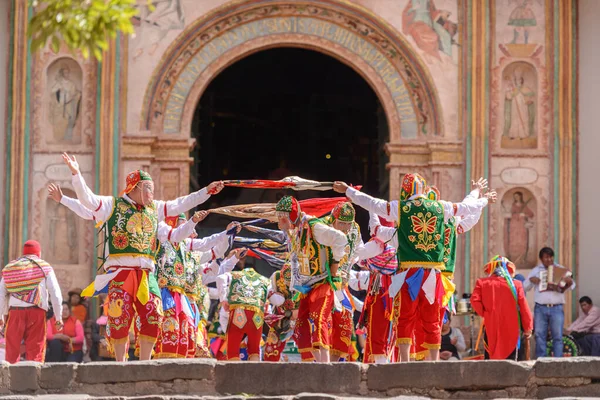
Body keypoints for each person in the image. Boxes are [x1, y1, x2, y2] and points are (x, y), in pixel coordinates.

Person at [62, 152, 225, 361]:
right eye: (148, 188)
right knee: (118, 317)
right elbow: (87, 200)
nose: (152, 192)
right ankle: (121, 363)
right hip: (121, 274)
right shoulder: (113, 205)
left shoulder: (154, 210)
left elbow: (178, 211)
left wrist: (206, 192)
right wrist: (76, 173)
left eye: (153, 189)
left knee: (153, 314)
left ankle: (145, 363)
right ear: (135, 187)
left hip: (147, 276)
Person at [334, 175, 494, 362]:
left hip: (407, 276)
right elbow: (467, 208)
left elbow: (373, 205)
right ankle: (433, 362)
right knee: (432, 320)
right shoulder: (442, 209)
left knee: (405, 319)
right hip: (434, 277)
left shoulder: (401, 210)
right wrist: (481, 197)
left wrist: (349, 191)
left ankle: (404, 361)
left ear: (405, 191)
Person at [276, 195, 347, 362]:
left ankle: (326, 364)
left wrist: (335, 263)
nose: (280, 224)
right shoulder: (297, 230)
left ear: (291, 216)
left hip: (322, 283)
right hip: (306, 287)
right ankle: (317, 362)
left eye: (282, 219)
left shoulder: (314, 227)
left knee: (319, 319)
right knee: (300, 324)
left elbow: (340, 239)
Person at [0, 240, 63, 363]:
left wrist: (1, 315)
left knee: (12, 351)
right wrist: (58, 317)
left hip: (15, 313)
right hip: (36, 312)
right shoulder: (44, 266)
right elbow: (55, 293)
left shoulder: (10, 268)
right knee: (35, 350)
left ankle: (11, 381)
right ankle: (33, 380)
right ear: (39, 253)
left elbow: (1, 293)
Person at [471, 256, 533, 360]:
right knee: (511, 364)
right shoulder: (516, 284)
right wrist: (528, 327)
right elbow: (524, 307)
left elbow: (474, 300)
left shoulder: (482, 283)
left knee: (491, 363)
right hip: (511, 329)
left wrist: (486, 313)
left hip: (491, 326)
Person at [216, 258, 273, 361]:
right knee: (255, 351)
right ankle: (254, 375)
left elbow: (220, 278)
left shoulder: (235, 275)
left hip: (238, 314)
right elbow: (274, 299)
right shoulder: (265, 280)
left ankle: (234, 375)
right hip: (257, 317)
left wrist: (223, 299)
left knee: (232, 351)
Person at [524, 247, 575, 358]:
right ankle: (541, 361)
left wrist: (569, 281)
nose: (549, 259)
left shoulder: (561, 269)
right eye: (546, 257)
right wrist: (532, 280)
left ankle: (557, 362)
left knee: (557, 336)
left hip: (557, 308)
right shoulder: (536, 271)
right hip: (540, 308)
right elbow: (525, 287)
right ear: (541, 259)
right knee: (539, 335)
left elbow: (572, 286)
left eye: (551, 257)